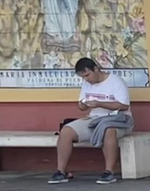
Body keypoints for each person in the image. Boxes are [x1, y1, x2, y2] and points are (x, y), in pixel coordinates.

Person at [49, 56, 132, 184]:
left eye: (88, 75)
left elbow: (124, 105)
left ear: (96, 69)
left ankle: (109, 172)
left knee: (108, 130)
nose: (87, 79)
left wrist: (100, 104)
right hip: (94, 118)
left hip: (118, 119)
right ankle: (61, 172)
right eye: (83, 77)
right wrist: (82, 105)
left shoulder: (116, 81)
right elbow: (81, 104)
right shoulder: (86, 84)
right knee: (66, 131)